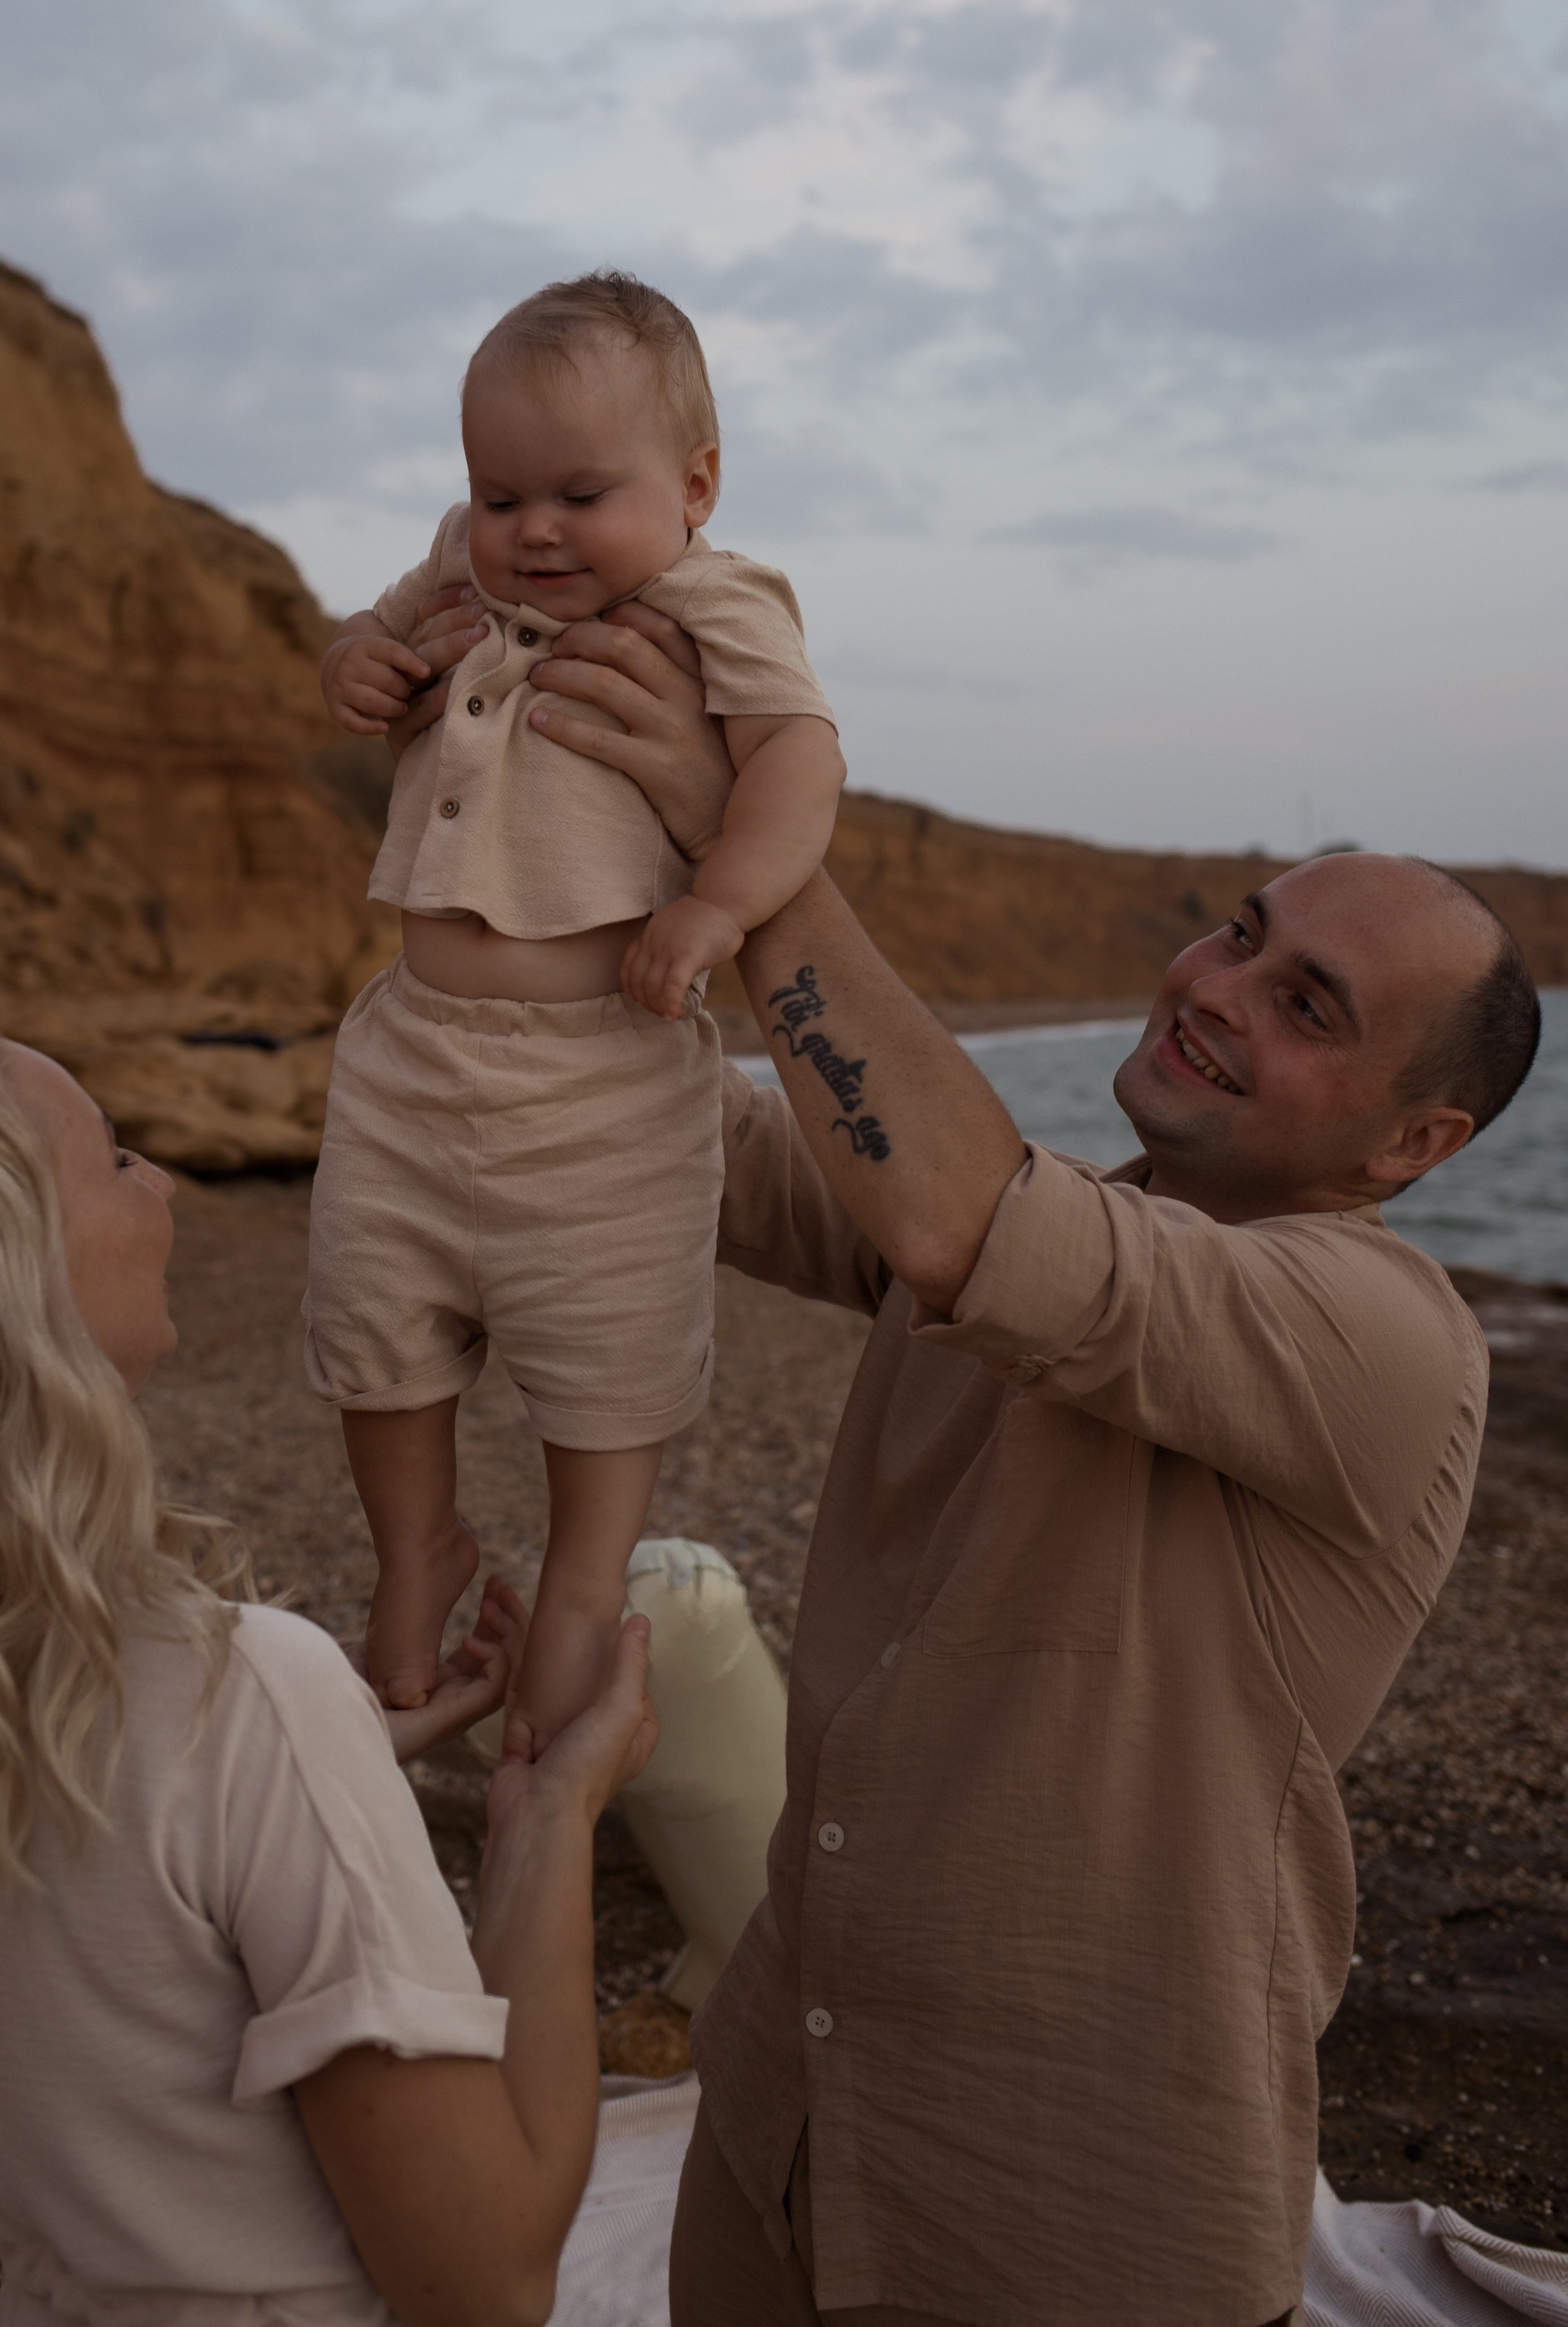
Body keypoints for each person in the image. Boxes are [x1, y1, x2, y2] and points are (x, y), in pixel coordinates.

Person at [508, 615, 1541, 2327]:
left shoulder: (1387, 1337)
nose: (1215, 989)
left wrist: (748, 835)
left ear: (1412, 1144)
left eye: (1304, 1006)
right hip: (782, 2091)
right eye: (1239, 932)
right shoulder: (1046, 1218)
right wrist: (518, 867)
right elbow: (709, 1142)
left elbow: (953, 1219)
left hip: (1068, 2199)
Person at [0, 1009, 659, 2327]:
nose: (159, 1182)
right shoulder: (243, 1695)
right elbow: (487, 2282)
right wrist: (549, 1818)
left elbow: (121, 1891)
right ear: (4, 1276)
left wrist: (327, 1764)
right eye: (111, 1157)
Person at [309, 270, 844, 1748]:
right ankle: (416, 1547)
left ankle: (578, 1602)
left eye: (579, 495)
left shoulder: (715, 601)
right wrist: (357, 660)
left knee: (611, 1365)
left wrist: (719, 903)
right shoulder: (463, 569)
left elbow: (799, 758)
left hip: (606, 1077)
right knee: (372, 1324)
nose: (531, 531)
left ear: (695, 487)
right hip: (413, 1056)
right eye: (501, 495)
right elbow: (371, 625)